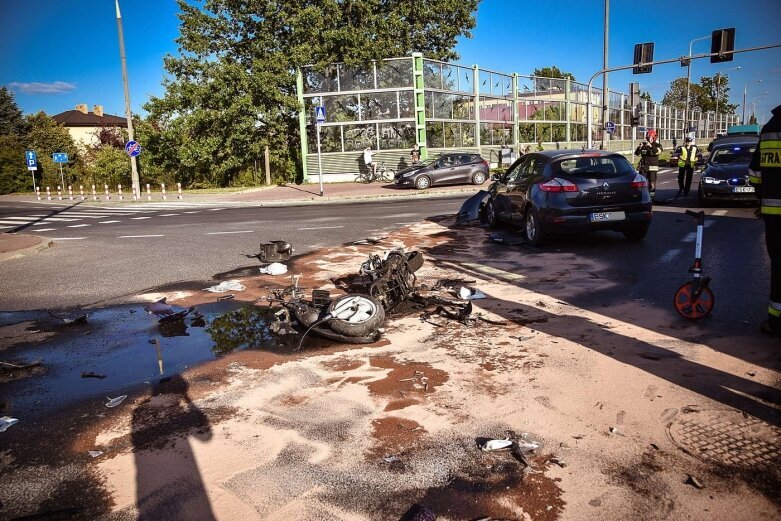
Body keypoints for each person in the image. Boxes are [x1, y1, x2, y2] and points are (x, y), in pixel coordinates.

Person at [749, 104, 781, 336]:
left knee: (779, 267)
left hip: (775, 214)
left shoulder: (771, 128)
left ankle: (775, 323)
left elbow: (756, 172)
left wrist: (762, 198)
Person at [635, 129, 663, 200]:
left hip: (652, 169)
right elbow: (637, 154)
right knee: (641, 184)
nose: (649, 139)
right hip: (644, 168)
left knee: (652, 184)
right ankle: (641, 197)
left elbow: (657, 152)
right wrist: (639, 147)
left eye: (650, 138)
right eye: (648, 138)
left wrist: (650, 146)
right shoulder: (644, 145)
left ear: (654, 138)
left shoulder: (658, 145)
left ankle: (651, 198)